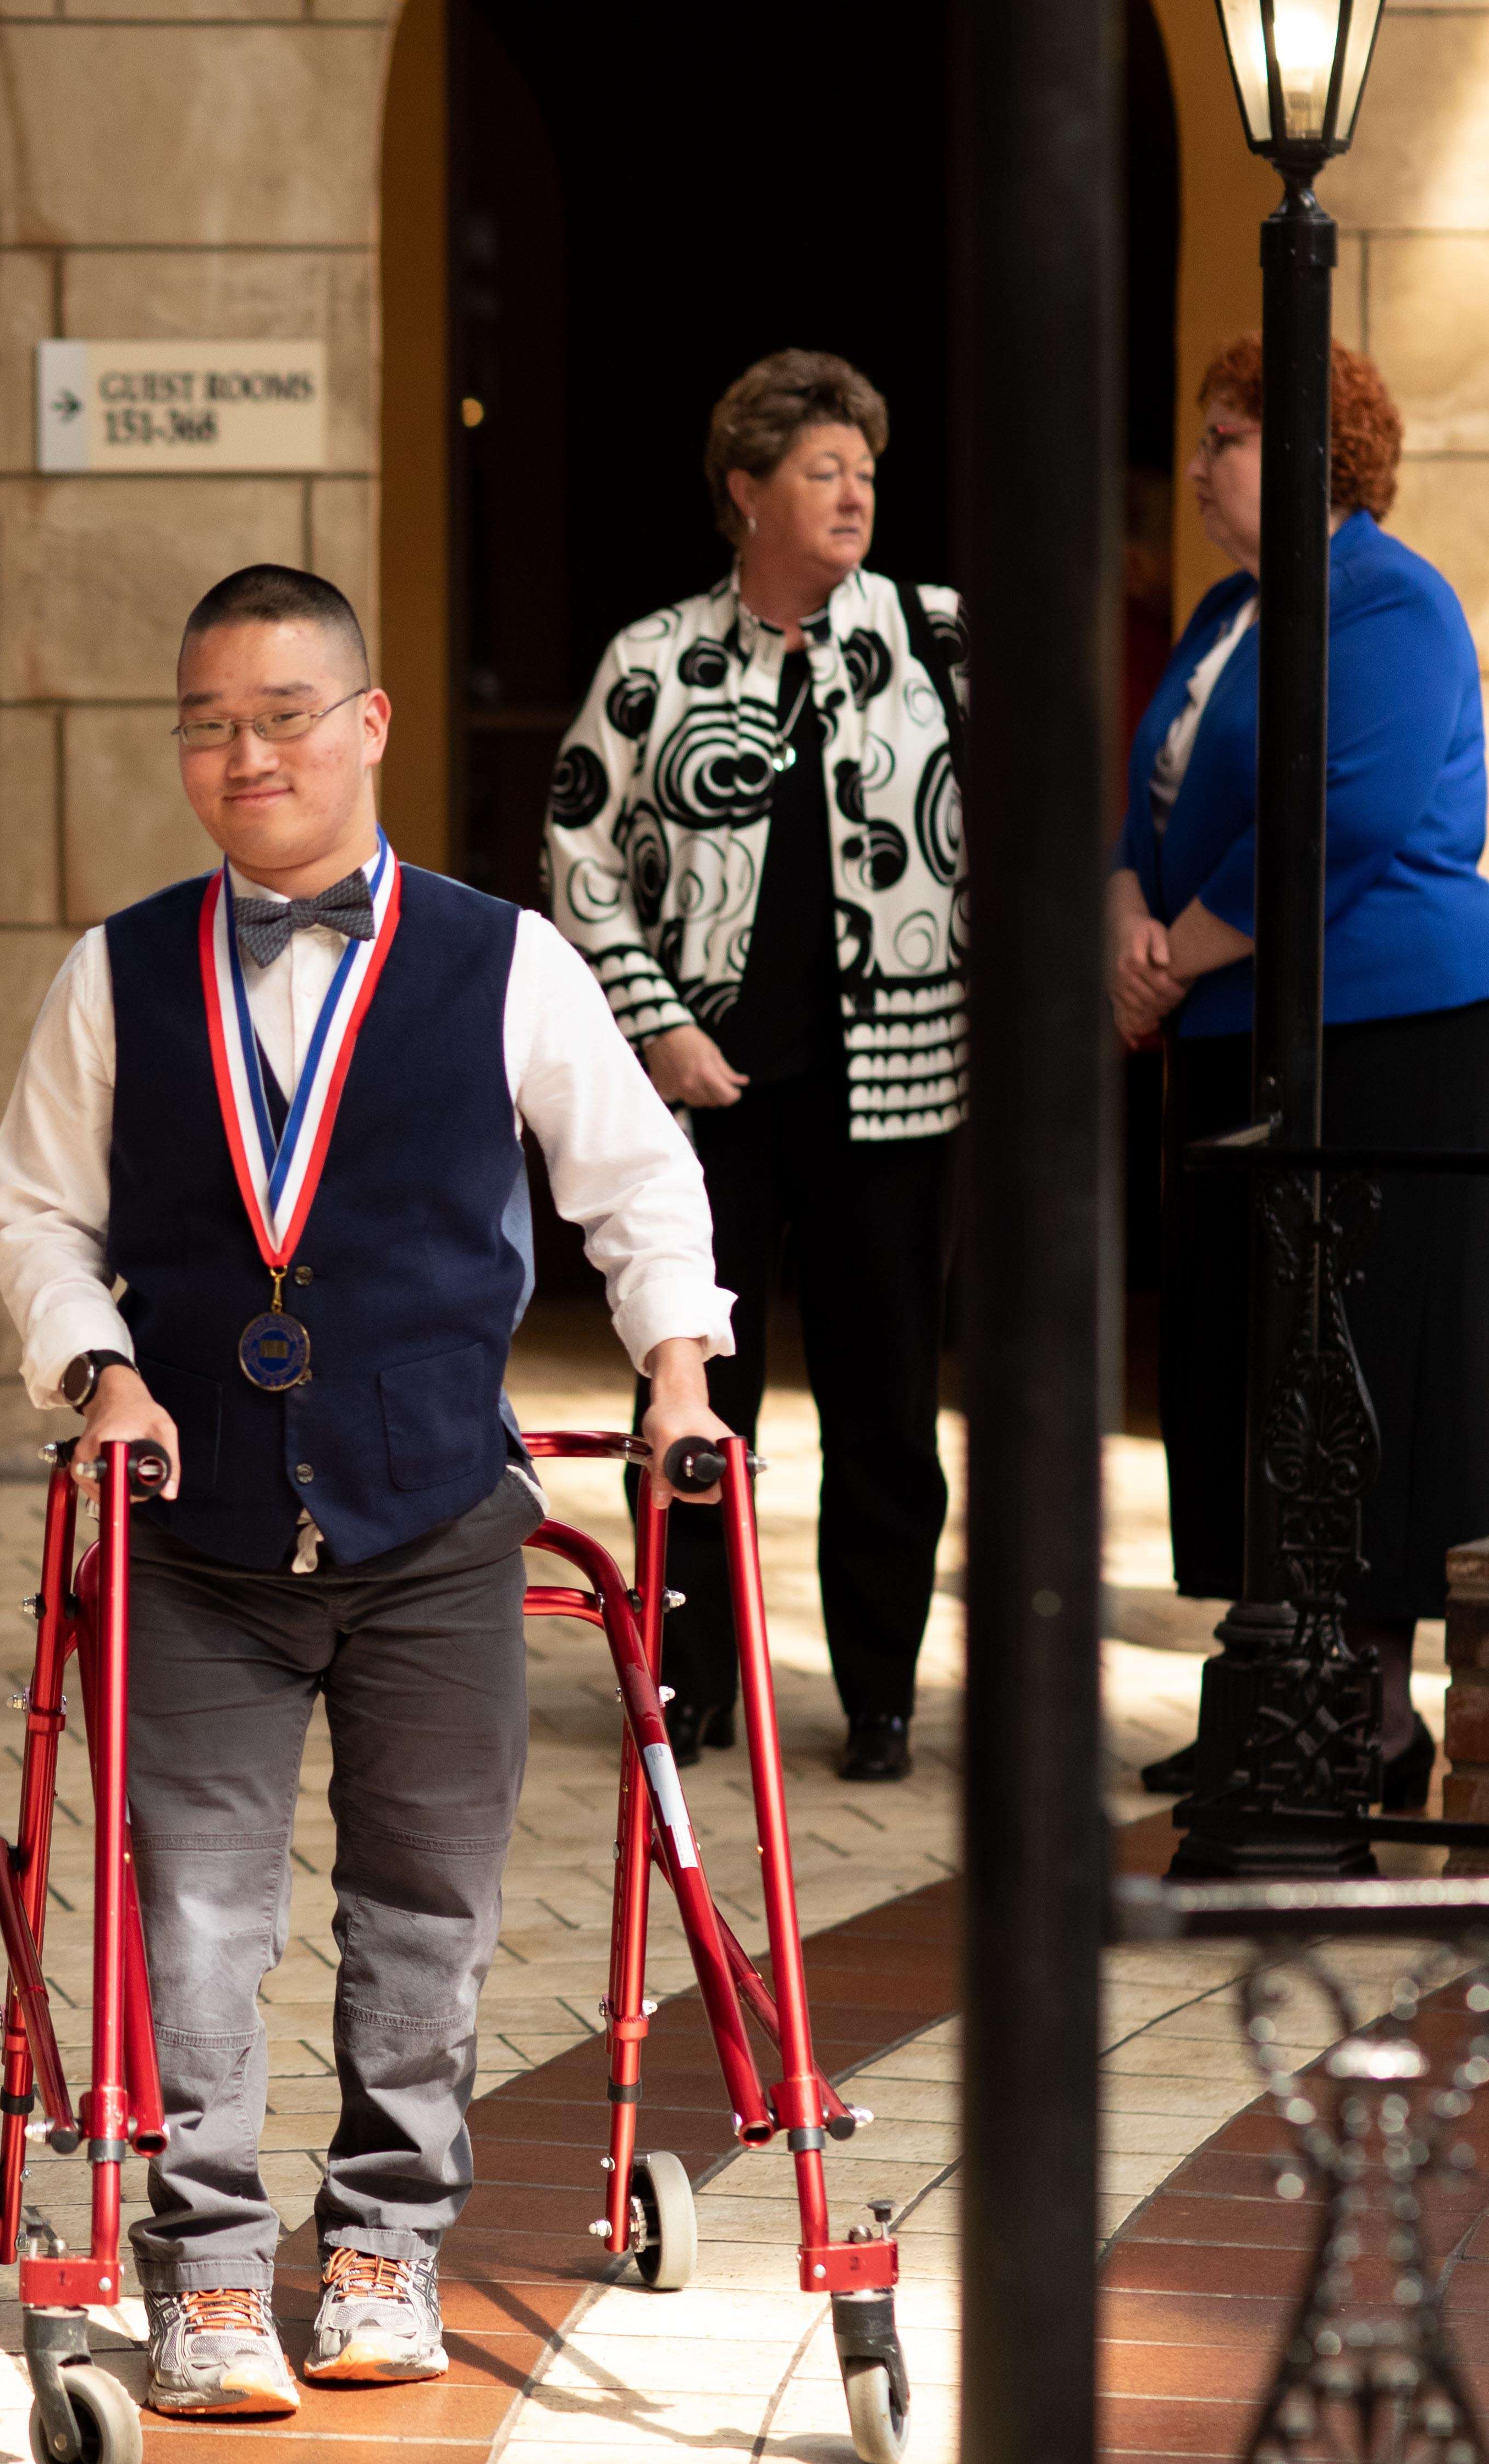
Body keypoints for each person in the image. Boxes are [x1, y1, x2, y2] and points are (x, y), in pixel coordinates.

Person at [0, 564, 732, 2419]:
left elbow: (634, 1184)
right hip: (199, 1534)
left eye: (286, 713)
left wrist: (681, 1370)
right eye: (212, 723)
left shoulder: (503, 958)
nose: (249, 754)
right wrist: (99, 1369)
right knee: (197, 1916)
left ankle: (389, 2244)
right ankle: (213, 2275)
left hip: (432, 1529)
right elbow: (33, 1215)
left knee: (427, 1902)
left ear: (369, 724)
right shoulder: (121, 968)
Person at [1113, 337, 1489, 1810]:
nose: (1201, 463)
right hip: (1239, 1022)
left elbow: (1333, 819)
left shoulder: (1392, 599)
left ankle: (1373, 1710)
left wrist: (1179, 950)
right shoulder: (1229, 608)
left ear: (1307, 452)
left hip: (1393, 1028)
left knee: (1367, 1358)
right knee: (1237, 1347)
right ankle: (1265, 1684)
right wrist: (1131, 923)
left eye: (1226, 436)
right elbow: (1147, 789)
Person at [538, 349, 967, 1784]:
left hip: (898, 1088)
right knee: (703, 1394)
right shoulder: (655, 660)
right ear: (746, 490)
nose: (854, 495)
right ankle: (697, 1680)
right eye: (823, 471)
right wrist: (653, 1018)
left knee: (888, 1403)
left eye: (865, 472)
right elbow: (581, 853)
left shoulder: (941, 639)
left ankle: (884, 1695)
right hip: (705, 1097)